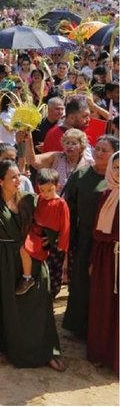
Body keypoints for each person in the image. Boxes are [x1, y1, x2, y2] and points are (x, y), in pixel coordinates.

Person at [0, 153, 65, 371]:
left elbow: (54, 213)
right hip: (5, 258)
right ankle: (14, 350)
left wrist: (50, 238)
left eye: (19, 175)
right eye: (14, 177)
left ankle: (48, 351)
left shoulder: (28, 198)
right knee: (11, 306)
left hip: (33, 256)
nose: (20, 180)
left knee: (40, 304)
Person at [63, 135, 119, 339]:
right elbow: (69, 206)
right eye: (98, 149)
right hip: (85, 238)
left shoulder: (116, 180)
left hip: (109, 242)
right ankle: (78, 326)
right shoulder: (81, 175)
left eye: (105, 150)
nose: (99, 153)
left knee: (104, 285)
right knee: (81, 282)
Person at [87, 151, 119, 374]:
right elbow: (97, 230)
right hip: (106, 257)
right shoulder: (106, 193)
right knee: (104, 304)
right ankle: (101, 353)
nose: (118, 171)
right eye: (115, 167)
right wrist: (93, 260)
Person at [16, 169, 70, 295]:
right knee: (39, 268)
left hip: (54, 242)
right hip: (37, 238)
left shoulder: (61, 203)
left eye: (50, 190)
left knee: (53, 271)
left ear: (57, 186)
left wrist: (62, 245)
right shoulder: (38, 199)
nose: (46, 194)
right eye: (42, 190)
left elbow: (65, 226)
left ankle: (51, 295)